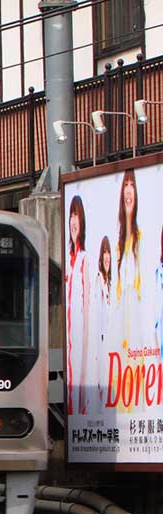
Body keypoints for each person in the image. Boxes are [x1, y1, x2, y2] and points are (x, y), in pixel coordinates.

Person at [116, 169, 142, 413]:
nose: (128, 189)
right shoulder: (117, 242)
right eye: (126, 184)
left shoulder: (139, 238)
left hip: (137, 337)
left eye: (132, 184)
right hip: (119, 337)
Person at [65, 194, 90, 416]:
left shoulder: (84, 260)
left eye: (77, 215)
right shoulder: (68, 261)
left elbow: (88, 308)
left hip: (79, 335)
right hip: (69, 337)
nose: (73, 220)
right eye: (71, 214)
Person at [91, 237, 113, 414]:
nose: (107, 257)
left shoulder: (111, 284)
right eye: (104, 252)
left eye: (109, 253)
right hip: (100, 349)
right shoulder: (98, 282)